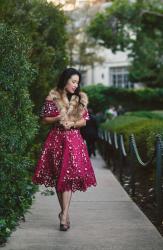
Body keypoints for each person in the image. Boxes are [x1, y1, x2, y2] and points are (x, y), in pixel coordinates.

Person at [32, 68, 97, 231]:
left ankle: (63, 215)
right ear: (65, 80)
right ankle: (64, 214)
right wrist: (58, 118)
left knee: (68, 176)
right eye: (73, 81)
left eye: (78, 82)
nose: (76, 85)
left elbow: (84, 121)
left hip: (74, 140)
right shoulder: (52, 96)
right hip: (56, 140)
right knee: (58, 176)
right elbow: (45, 119)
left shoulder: (80, 98)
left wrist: (73, 123)